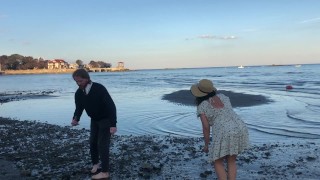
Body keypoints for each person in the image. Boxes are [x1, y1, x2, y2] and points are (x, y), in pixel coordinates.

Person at [190, 79, 249, 180]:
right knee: (231, 160)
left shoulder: (202, 106)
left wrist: (206, 144)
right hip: (239, 125)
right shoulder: (224, 97)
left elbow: (206, 127)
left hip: (224, 129)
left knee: (217, 161)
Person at [71, 68, 117, 179]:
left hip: (106, 119)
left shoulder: (99, 88)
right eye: (76, 81)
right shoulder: (79, 93)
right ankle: (96, 164)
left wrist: (113, 124)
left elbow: (111, 106)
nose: (78, 83)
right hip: (94, 120)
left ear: (87, 78)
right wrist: (76, 118)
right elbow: (79, 108)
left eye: (80, 81)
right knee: (92, 142)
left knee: (102, 145)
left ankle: (105, 172)